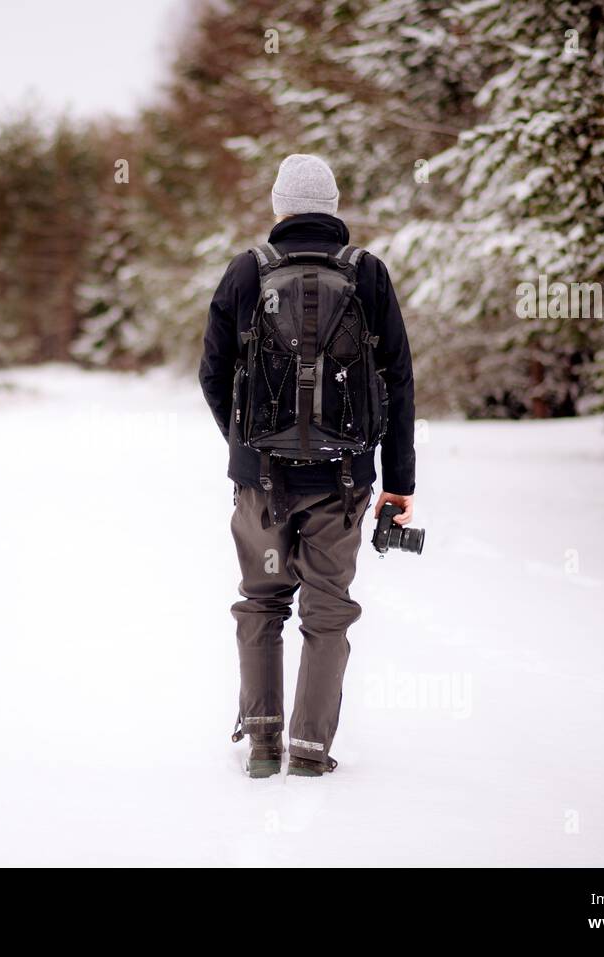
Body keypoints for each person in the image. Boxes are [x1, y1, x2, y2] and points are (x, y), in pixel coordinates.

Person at [198, 153, 417, 777]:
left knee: (262, 602)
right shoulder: (367, 274)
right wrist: (398, 483)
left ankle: (264, 747)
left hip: (262, 482)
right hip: (342, 483)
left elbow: (213, 373)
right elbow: (397, 382)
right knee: (327, 611)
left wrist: (244, 443)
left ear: (279, 206)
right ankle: (311, 751)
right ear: (334, 206)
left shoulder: (247, 271)